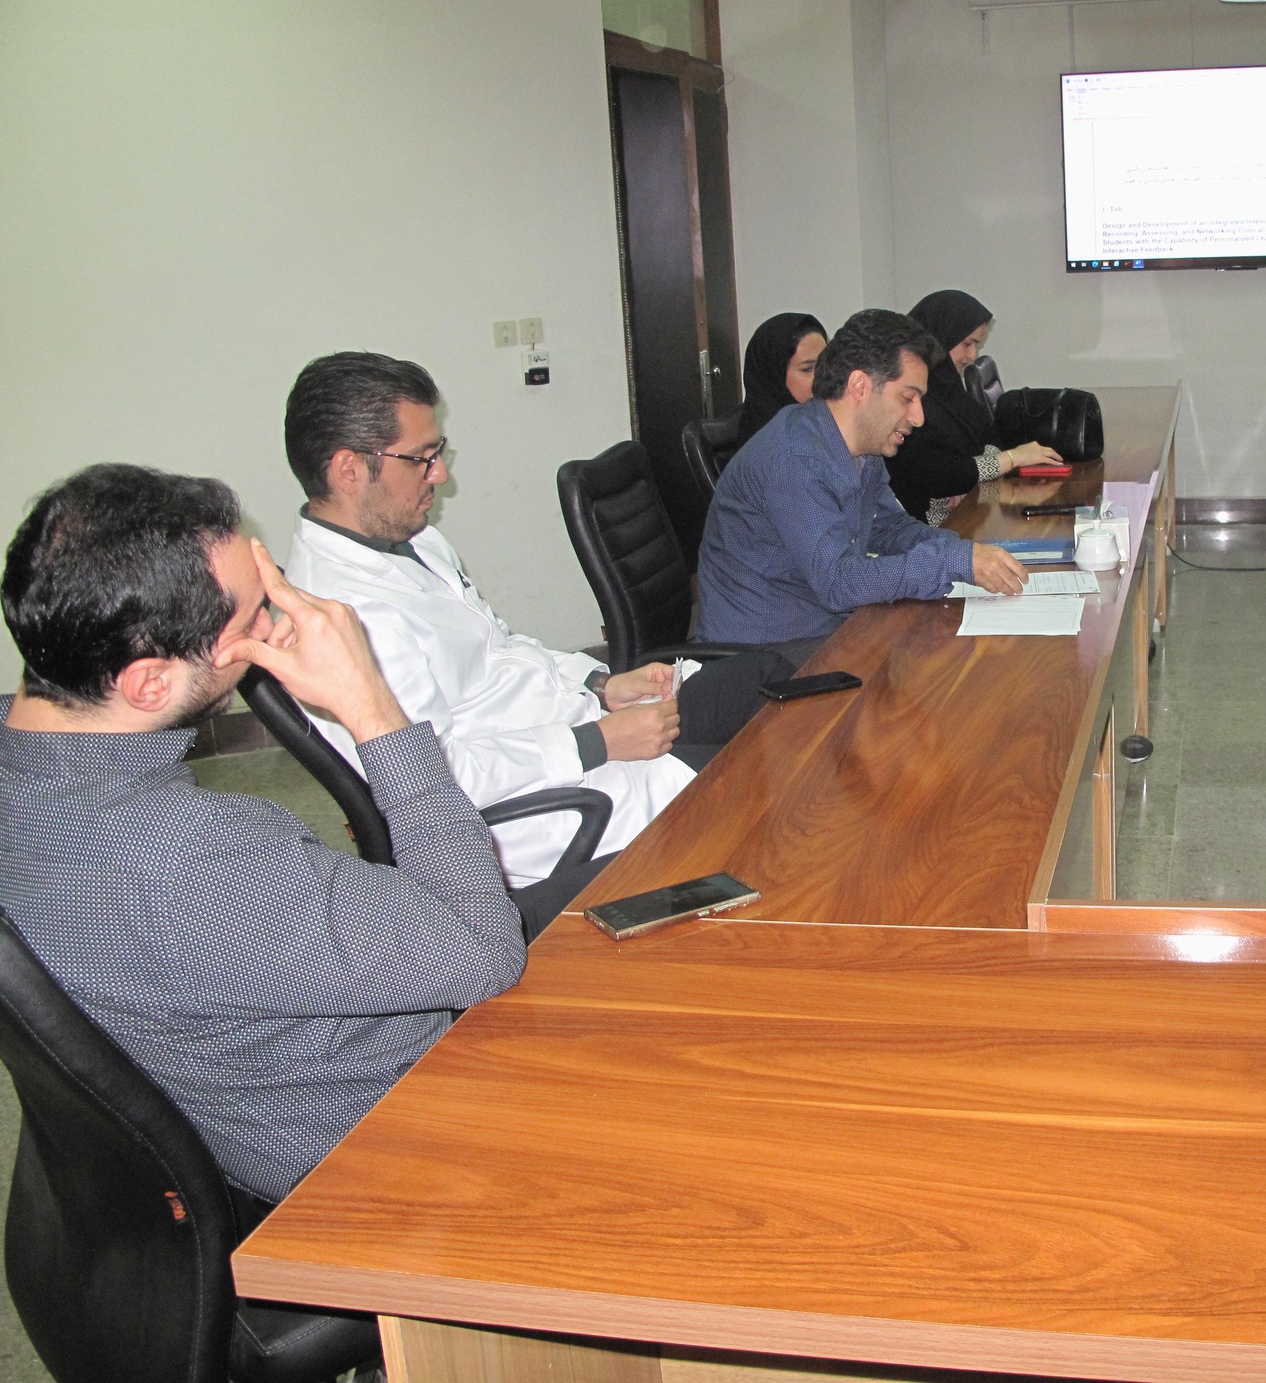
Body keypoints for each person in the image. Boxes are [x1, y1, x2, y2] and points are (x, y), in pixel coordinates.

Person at [0, 464, 529, 1202]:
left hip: (230, 1096)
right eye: (255, 619)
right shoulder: (197, 859)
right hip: (387, 1142)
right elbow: (485, 954)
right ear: (149, 683)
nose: (282, 626)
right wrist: (371, 705)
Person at [281, 352, 788, 887]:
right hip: (554, 804)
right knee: (779, 784)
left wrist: (601, 684)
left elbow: (500, 647)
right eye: (422, 458)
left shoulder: (414, 540)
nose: (441, 473)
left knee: (772, 681)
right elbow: (432, 781)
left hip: (586, 722)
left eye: (437, 452)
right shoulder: (344, 617)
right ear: (349, 470)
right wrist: (597, 741)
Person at [695, 308, 1028, 661]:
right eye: (908, 397)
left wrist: (966, 553)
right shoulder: (796, 458)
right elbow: (839, 582)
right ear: (859, 386)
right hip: (761, 657)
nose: (918, 418)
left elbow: (888, 527)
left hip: (822, 630)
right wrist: (951, 561)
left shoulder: (860, 447)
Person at [886, 290, 1063, 524]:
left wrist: (971, 475)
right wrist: (1011, 459)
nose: (971, 356)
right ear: (941, 336)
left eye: (975, 345)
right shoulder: (907, 399)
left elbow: (989, 439)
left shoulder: (949, 389)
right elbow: (936, 473)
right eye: (967, 344)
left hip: (964, 517)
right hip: (925, 526)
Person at [734, 312, 827, 450]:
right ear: (774, 374)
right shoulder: (767, 447)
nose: (823, 377)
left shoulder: (822, 423)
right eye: (807, 369)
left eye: (824, 365)